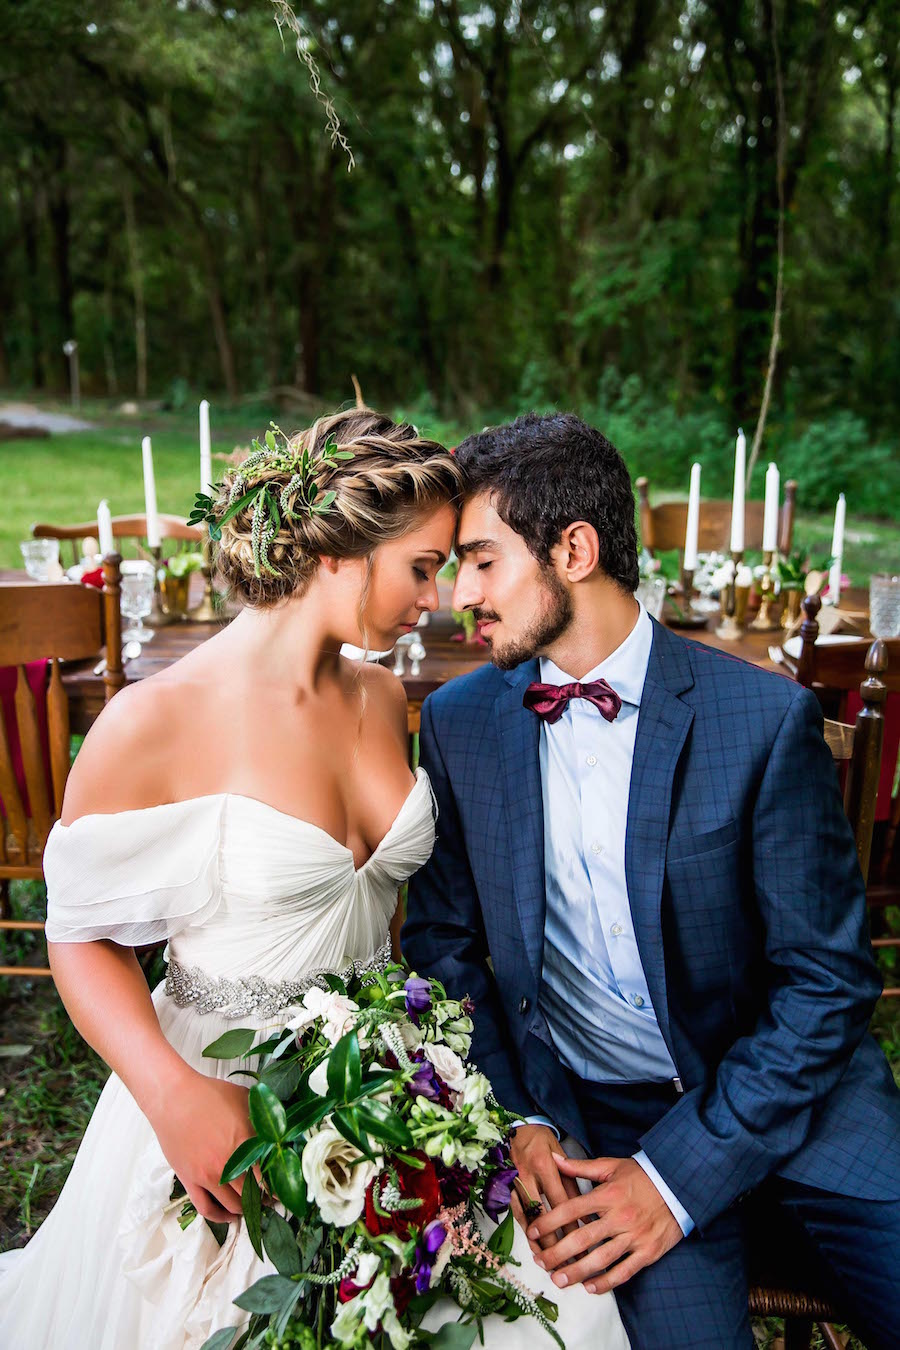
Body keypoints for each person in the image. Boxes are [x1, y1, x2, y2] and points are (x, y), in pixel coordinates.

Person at [0, 408, 628, 1350]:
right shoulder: (156, 720)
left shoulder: (380, 696)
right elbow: (77, 936)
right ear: (341, 549)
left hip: (386, 1071)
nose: (442, 597)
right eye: (423, 565)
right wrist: (172, 1096)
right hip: (220, 1081)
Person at [403, 411, 900, 1350]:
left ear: (575, 550)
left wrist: (679, 1179)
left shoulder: (762, 720)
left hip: (797, 1098)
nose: (456, 594)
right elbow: (447, 948)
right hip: (600, 1126)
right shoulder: (461, 724)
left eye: (480, 561)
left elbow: (827, 985)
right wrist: (519, 1119)